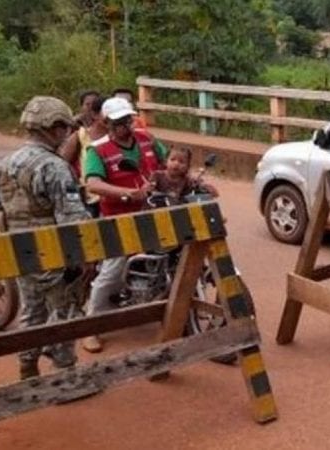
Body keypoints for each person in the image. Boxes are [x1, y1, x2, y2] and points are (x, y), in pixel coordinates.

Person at [0, 96, 91, 379]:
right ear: (54, 127)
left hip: (21, 251)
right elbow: (72, 219)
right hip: (55, 253)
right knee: (65, 312)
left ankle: (27, 366)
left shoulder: (5, 163)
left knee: (32, 310)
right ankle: (64, 373)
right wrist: (83, 257)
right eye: (65, 127)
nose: (67, 133)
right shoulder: (54, 167)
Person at [80, 97, 168, 353]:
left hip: (153, 212)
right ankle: (91, 326)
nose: (125, 126)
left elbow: (167, 163)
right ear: (107, 123)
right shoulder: (98, 150)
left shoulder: (146, 139)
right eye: (118, 122)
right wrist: (127, 193)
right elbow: (93, 184)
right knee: (112, 270)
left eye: (127, 120)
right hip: (119, 219)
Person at [59, 95, 108, 217]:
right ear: (96, 114)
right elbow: (62, 165)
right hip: (92, 199)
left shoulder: (120, 137)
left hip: (116, 196)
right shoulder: (80, 136)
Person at [150, 147, 219, 200]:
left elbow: (211, 192)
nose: (176, 164)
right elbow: (149, 190)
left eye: (181, 162)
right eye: (172, 159)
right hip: (157, 210)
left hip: (178, 212)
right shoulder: (157, 176)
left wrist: (207, 188)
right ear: (166, 162)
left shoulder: (187, 180)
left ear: (187, 166)